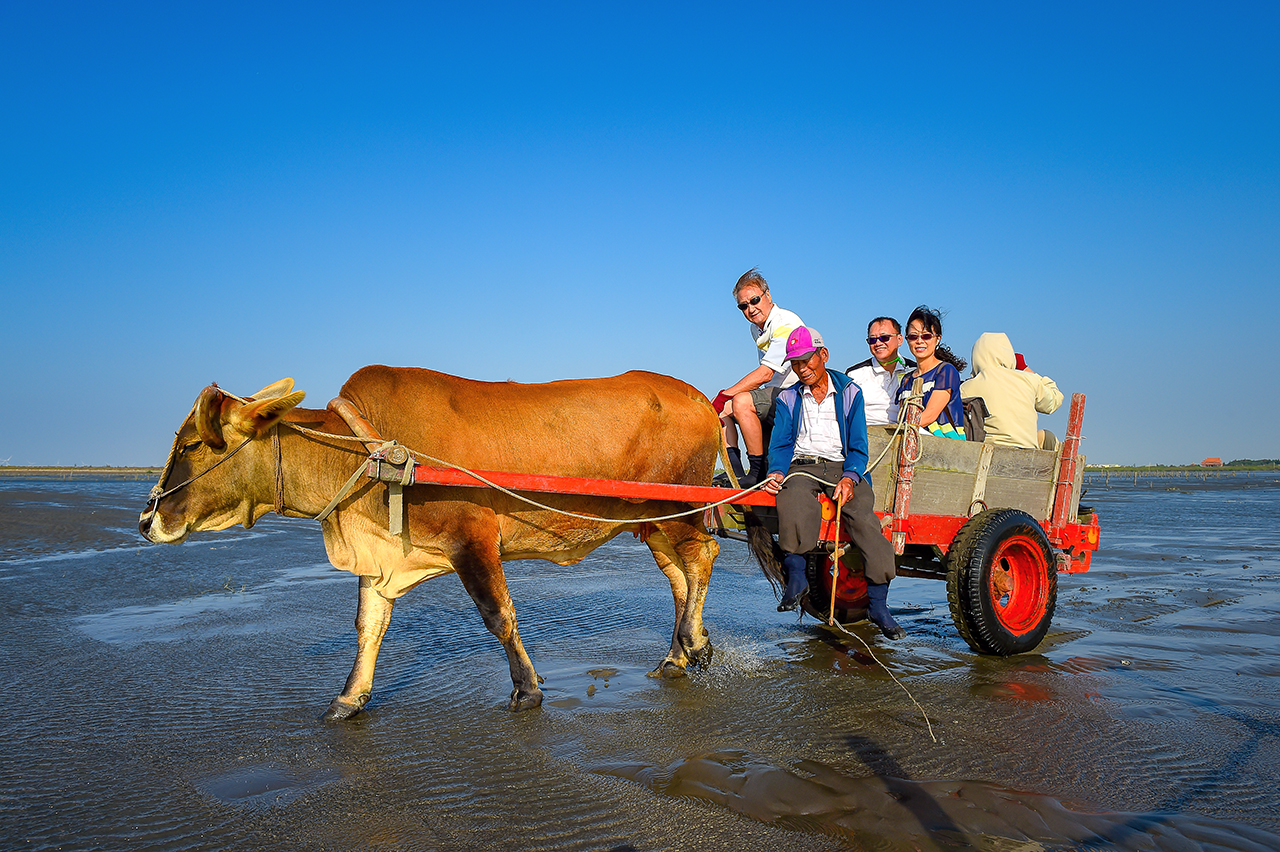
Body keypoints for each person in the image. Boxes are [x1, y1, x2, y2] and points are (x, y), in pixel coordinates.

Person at [761, 326, 905, 639]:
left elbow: (858, 446)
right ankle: (797, 578)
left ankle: (879, 606)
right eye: (795, 364)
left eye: (807, 360)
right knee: (793, 499)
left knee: (864, 520)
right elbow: (783, 444)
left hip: (843, 467)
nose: (802, 369)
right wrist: (776, 472)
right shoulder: (788, 397)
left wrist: (852, 478)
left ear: (823, 355)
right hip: (804, 466)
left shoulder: (851, 392)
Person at [711, 268, 805, 487]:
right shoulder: (757, 329)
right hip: (774, 392)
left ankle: (756, 472)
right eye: (743, 306)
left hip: (794, 393)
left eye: (754, 300)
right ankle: (736, 475)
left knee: (740, 401)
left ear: (768, 296)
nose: (750, 309)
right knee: (722, 413)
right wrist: (724, 401)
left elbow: (766, 373)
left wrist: (725, 394)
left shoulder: (785, 322)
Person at [960, 332, 1064, 448]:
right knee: (1047, 437)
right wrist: (1025, 369)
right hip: (1028, 457)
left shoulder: (966, 387)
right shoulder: (1028, 380)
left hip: (987, 456)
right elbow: (1054, 401)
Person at [895, 305, 968, 440]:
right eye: (913, 336)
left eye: (926, 336)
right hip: (909, 444)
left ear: (938, 339)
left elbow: (929, 415)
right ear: (906, 340)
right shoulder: (905, 380)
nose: (919, 341)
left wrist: (898, 433)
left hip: (945, 446)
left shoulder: (946, 371)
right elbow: (901, 416)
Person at [846, 316, 916, 425]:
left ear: (899, 339)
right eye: (872, 339)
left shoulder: (914, 371)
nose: (878, 343)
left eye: (884, 338)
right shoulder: (855, 374)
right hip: (866, 434)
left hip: (904, 433)